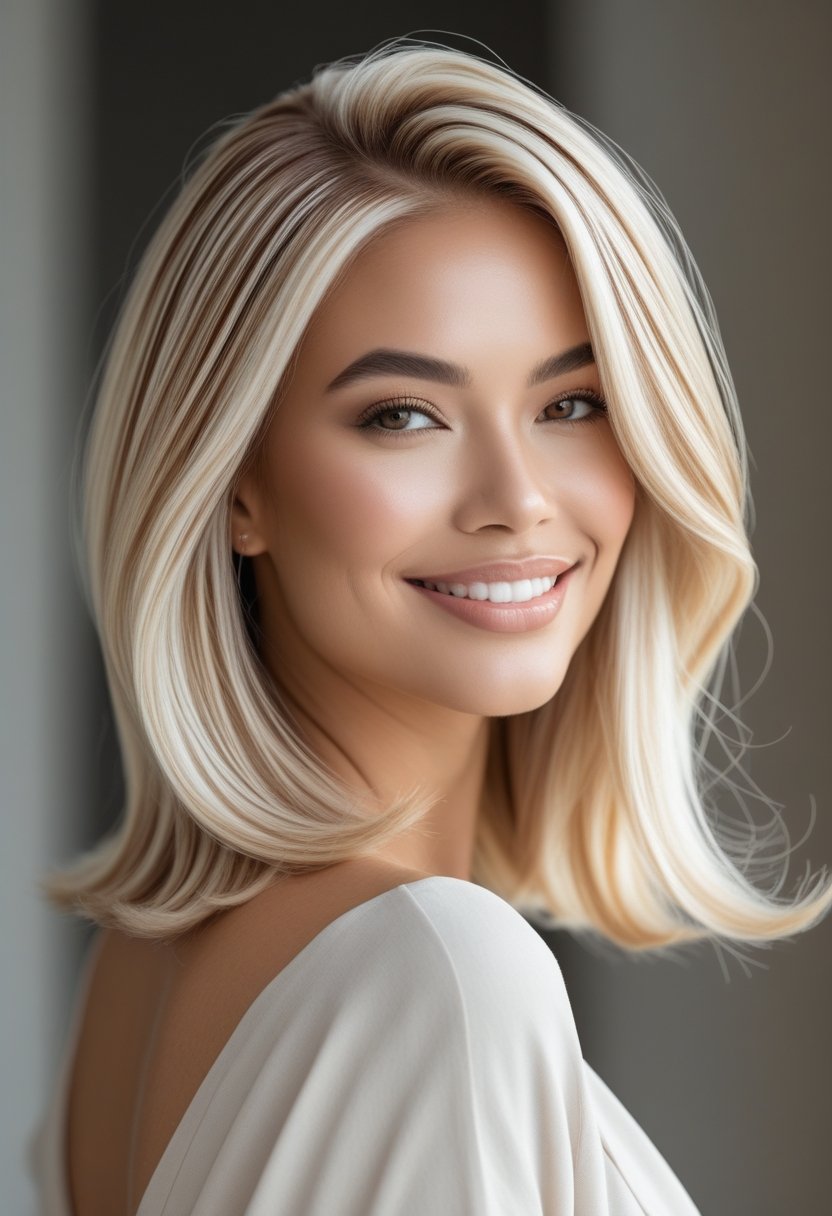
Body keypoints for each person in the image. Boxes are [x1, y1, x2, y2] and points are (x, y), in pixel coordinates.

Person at [28, 35, 832, 1216]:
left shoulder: (142, 964)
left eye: (572, 403)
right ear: (235, 483)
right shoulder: (439, 969)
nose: (516, 498)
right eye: (403, 415)